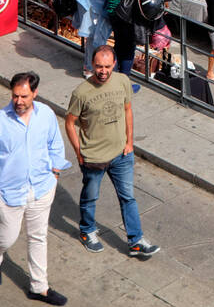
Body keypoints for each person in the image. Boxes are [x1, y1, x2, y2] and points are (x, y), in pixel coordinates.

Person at [0, 71, 70, 304]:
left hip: (42, 189)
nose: (19, 101)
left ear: (35, 93)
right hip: (9, 194)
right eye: (15, 96)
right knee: (6, 238)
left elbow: (55, 145)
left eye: (24, 96)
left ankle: (39, 287)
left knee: (38, 237)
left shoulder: (46, 115)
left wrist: (55, 173)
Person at [64, 46, 159, 258]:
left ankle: (136, 241)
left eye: (107, 66)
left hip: (121, 154)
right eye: (99, 66)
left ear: (114, 64)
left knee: (128, 198)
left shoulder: (122, 81)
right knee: (90, 197)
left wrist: (129, 143)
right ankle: (87, 230)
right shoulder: (81, 93)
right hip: (94, 157)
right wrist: (79, 153)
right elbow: (69, 123)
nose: (103, 71)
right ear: (92, 65)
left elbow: (127, 110)